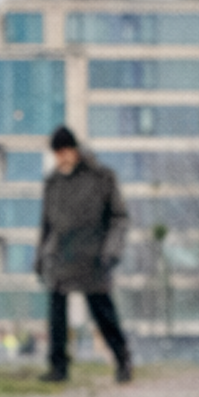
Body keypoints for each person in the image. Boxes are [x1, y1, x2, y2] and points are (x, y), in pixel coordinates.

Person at [37, 125, 132, 383]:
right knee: (57, 317)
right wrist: (40, 257)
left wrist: (111, 250)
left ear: (75, 150)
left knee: (103, 314)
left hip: (94, 258)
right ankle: (58, 368)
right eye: (57, 153)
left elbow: (119, 217)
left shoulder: (102, 177)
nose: (62, 158)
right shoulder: (52, 182)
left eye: (65, 151)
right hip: (60, 257)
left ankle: (123, 360)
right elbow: (46, 224)